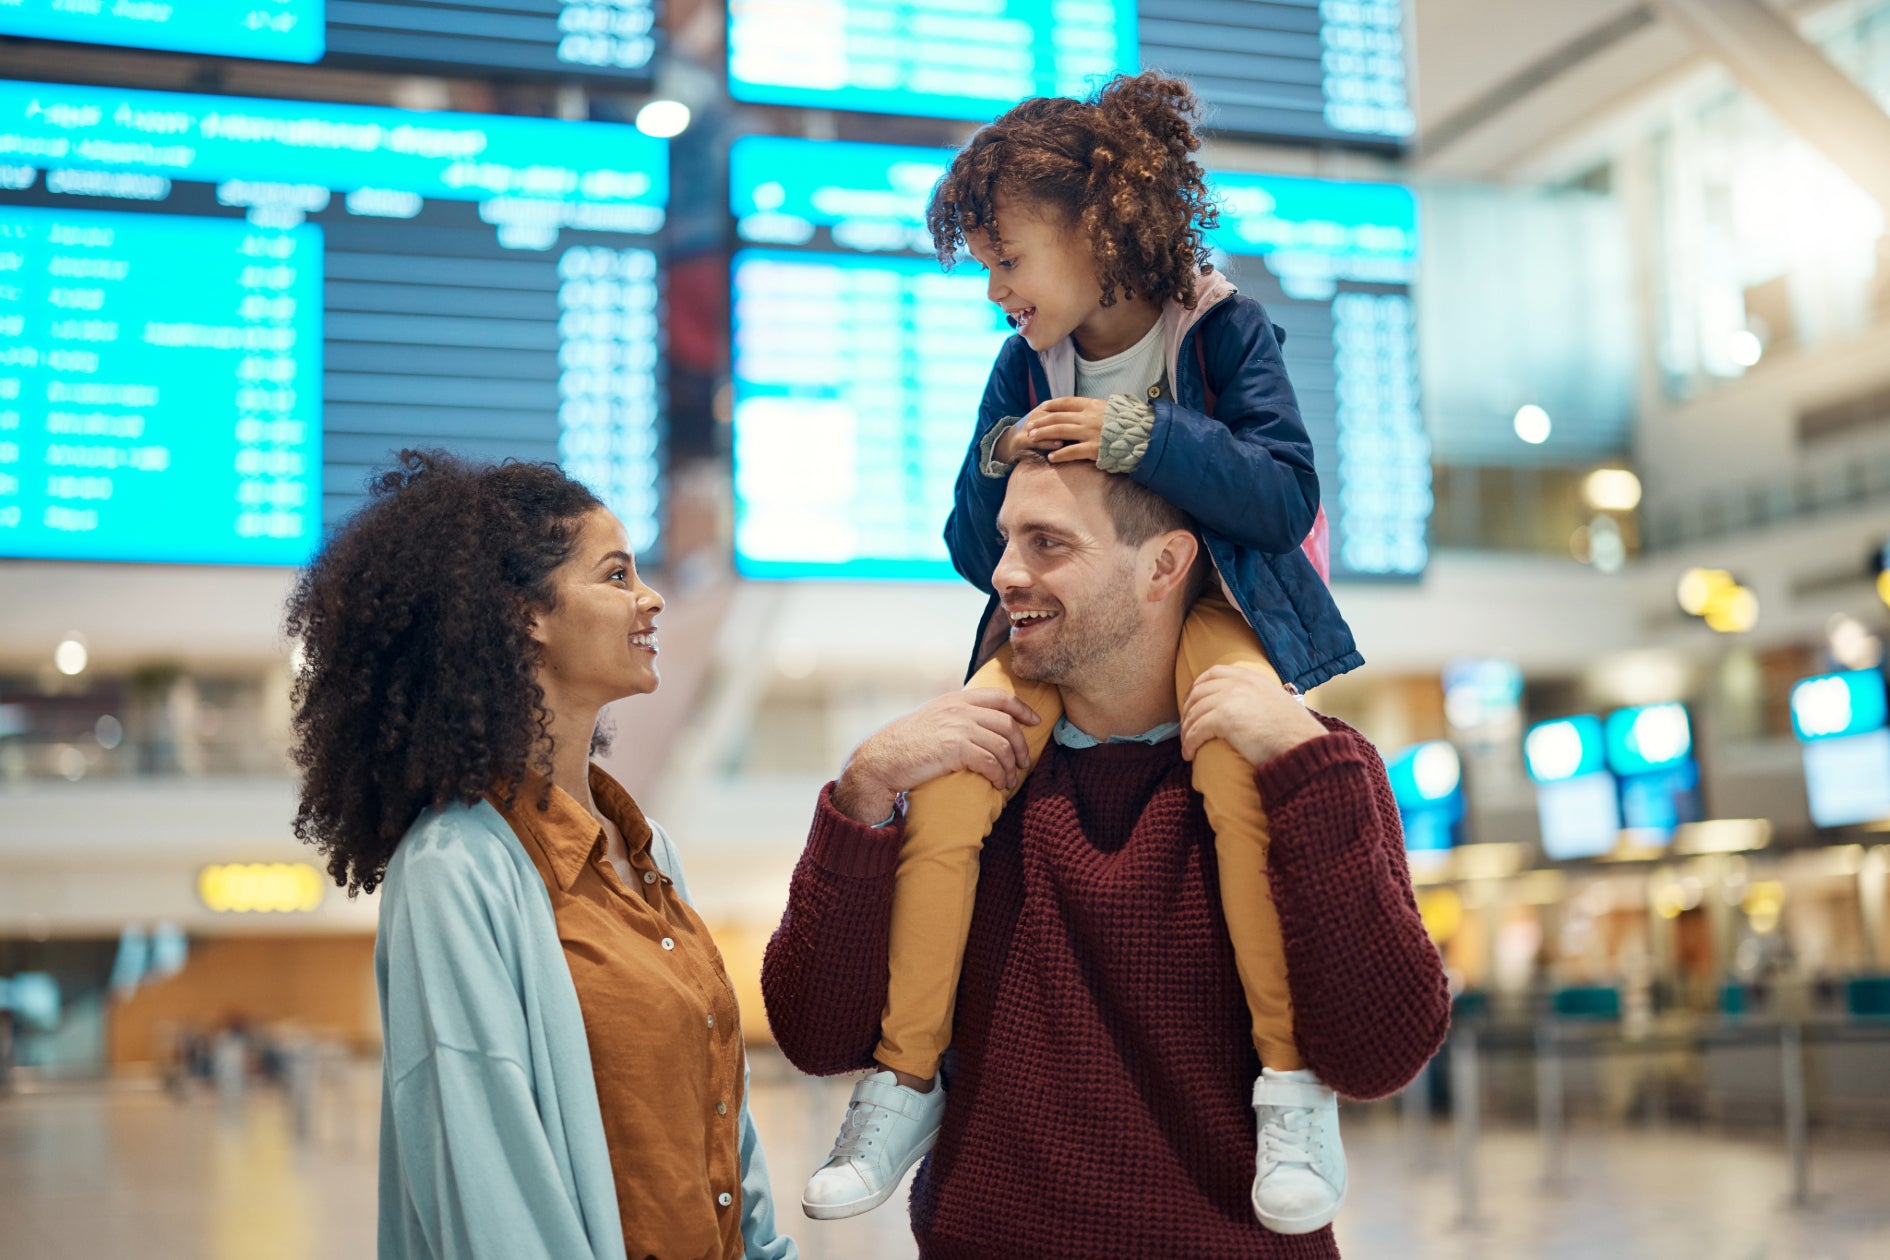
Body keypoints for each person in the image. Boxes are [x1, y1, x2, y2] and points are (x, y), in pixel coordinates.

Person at [797, 71, 1366, 1235]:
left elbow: (1285, 496)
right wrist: (1006, 452)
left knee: (1238, 783)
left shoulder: (1220, 327)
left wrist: (1143, 436)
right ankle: (906, 1081)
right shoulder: (1021, 364)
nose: (996, 287)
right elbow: (972, 544)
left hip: (1210, 614)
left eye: (1006, 256)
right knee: (954, 790)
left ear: (1096, 228)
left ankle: (1292, 1089)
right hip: (1055, 641)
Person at [765, 455, 1449, 1258]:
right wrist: (864, 791)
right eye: (1007, 540)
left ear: (1164, 565)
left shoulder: (1307, 768)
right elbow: (814, 1035)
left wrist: (1308, 766)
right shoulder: (964, 776)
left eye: (1048, 543)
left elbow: (1378, 1055)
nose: (1006, 573)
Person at [286, 451, 796, 1260]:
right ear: (527, 614)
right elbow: (488, 1172)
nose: (651, 598)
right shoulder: (456, 866)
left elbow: (720, 1128)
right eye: (617, 576)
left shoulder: (647, 847)